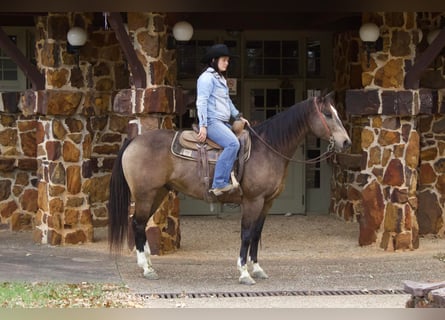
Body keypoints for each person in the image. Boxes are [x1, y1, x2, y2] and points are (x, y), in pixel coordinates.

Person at [196, 43, 249, 196]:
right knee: (233, 143)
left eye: (227, 60)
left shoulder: (220, 78)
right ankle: (219, 183)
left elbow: (228, 102)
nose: (227, 63)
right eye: (224, 60)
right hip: (212, 121)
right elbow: (202, 102)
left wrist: (238, 116)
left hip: (223, 122)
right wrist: (203, 125)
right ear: (213, 60)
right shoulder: (206, 78)